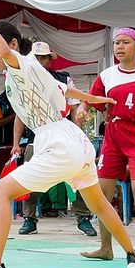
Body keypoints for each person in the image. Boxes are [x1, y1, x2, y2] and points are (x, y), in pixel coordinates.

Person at [0, 0, 135, 268]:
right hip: (75, 141)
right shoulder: (32, 70)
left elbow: (8, 53)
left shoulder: (21, 64)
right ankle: (134, 258)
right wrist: (99, 99)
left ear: (11, 44)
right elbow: (68, 91)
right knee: (99, 204)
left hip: (57, 141)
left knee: (0, 193)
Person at [77, 26, 135, 266]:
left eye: (126, 42)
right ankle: (105, 248)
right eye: (117, 42)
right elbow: (91, 98)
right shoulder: (107, 75)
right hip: (113, 136)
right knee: (102, 194)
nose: (120, 47)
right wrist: (83, 108)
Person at [17, 41, 97, 237]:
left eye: (44, 57)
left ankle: (83, 218)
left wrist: (78, 134)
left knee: (79, 176)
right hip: (37, 136)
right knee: (29, 176)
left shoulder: (63, 79)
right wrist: (15, 143)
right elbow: (20, 114)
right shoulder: (23, 79)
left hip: (64, 133)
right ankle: (29, 219)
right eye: (36, 57)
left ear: (49, 60)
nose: (40, 61)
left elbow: (74, 108)